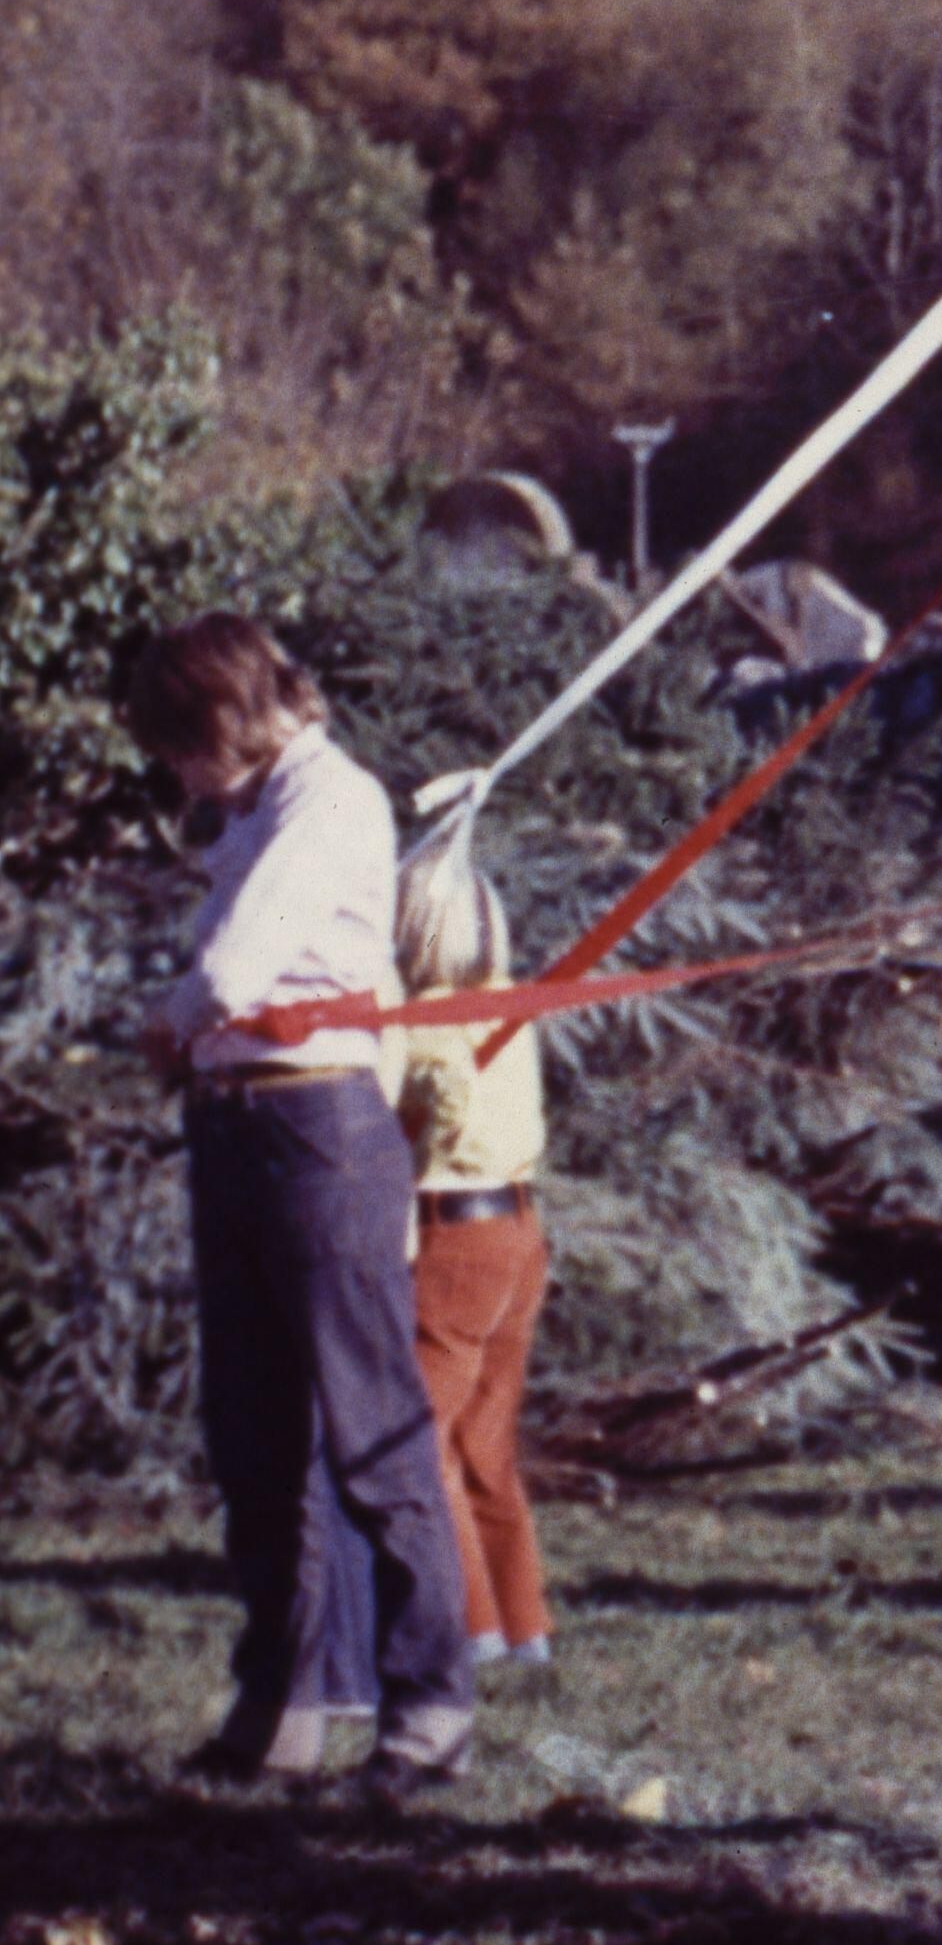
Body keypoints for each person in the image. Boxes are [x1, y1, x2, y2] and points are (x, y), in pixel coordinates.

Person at [121, 614, 475, 1794]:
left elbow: (234, 965)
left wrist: (170, 1022)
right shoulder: (261, 805)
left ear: (226, 717)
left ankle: (428, 1710)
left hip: (316, 1130)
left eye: (183, 747)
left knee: (371, 1429)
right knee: (258, 1438)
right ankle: (286, 1704)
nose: (179, 776)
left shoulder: (330, 800)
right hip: (238, 1130)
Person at [391, 810, 558, 1675]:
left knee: (423, 1435)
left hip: (455, 1237)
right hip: (522, 1229)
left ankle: (473, 1625)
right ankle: (526, 1626)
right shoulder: (512, 1008)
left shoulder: (414, 1020)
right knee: (488, 1441)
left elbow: (400, 1115)